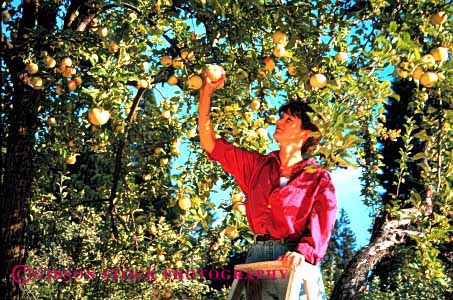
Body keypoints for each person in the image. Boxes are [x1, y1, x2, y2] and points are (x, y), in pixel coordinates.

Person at [198, 69, 337, 300]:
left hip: (294, 260)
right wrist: (206, 93)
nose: (279, 122)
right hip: (257, 259)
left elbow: (323, 223)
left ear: (305, 134)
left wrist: (303, 252)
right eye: (281, 117)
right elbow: (209, 143)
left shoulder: (318, 178)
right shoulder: (257, 167)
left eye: (288, 119)